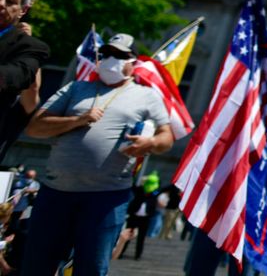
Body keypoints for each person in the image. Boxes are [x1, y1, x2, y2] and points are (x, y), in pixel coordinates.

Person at [21, 32, 173, 276]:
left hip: (106, 198)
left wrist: (150, 142)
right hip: (56, 193)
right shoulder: (76, 88)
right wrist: (77, 120)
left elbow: (167, 138)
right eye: (107, 54)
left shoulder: (147, 96)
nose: (112, 59)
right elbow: (35, 127)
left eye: (120, 55)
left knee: (91, 268)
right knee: (36, 266)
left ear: (133, 62)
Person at [0, 0, 50, 165]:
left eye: (10, 1)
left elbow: (19, 75)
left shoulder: (30, 47)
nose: (1, 4)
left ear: (23, 10)